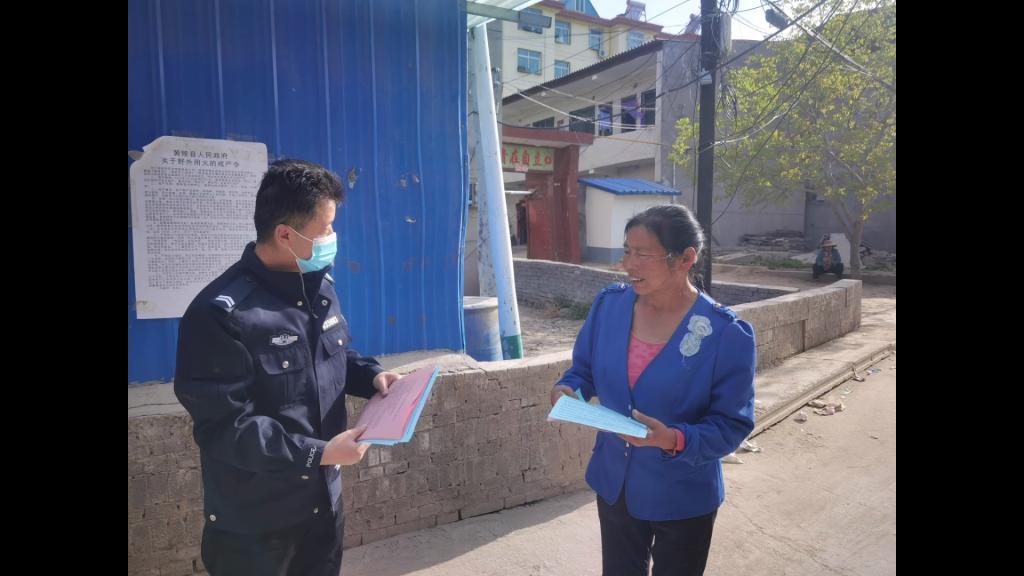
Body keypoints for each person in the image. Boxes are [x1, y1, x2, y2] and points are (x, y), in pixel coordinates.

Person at [174, 159, 400, 576]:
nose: (333, 239)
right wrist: (320, 452)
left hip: (322, 505)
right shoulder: (221, 315)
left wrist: (373, 376)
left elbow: (331, 355)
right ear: (285, 235)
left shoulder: (318, 285)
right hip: (256, 525)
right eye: (326, 229)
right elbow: (226, 428)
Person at [550, 204, 756, 576]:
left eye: (643, 255)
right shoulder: (610, 307)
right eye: (627, 251)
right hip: (615, 484)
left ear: (686, 259)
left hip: (683, 494)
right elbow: (583, 370)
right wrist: (568, 388)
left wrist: (672, 439)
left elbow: (732, 424)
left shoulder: (725, 333)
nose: (628, 265)